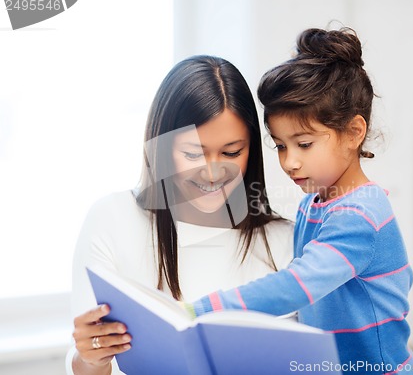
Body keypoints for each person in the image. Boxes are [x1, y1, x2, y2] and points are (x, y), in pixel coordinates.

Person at [185, 28, 413, 375]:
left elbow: (298, 286)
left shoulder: (361, 214)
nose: (289, 161)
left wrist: (200, 311)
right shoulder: (316, 204)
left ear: (354, 132)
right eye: (280, 145)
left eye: (304, 144)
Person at [66, 55, 294, 375]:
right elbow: (91, 364)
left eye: (232, 152)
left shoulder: (284, 242)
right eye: (192, 153)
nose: (213, 173)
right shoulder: (112, 220)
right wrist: (90, 359)